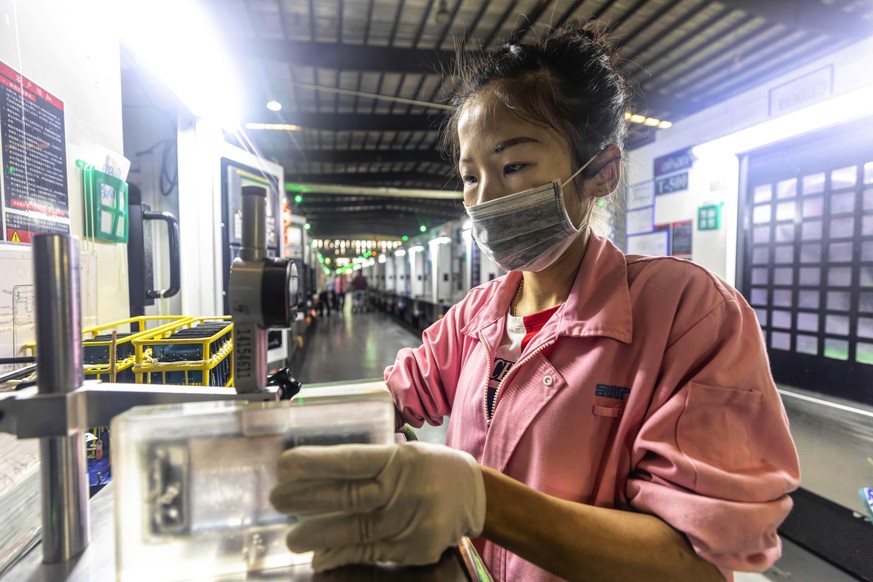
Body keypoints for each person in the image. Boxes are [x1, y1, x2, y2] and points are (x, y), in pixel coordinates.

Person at [270, 22, 800, 581]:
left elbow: (695, 563)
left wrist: (484, 501)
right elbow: (400, 392)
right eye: (470, 177)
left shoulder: (687, 315)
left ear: (601, 172)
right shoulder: (479, 315)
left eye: (514, 166)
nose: (485, 198)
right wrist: (277, 431)